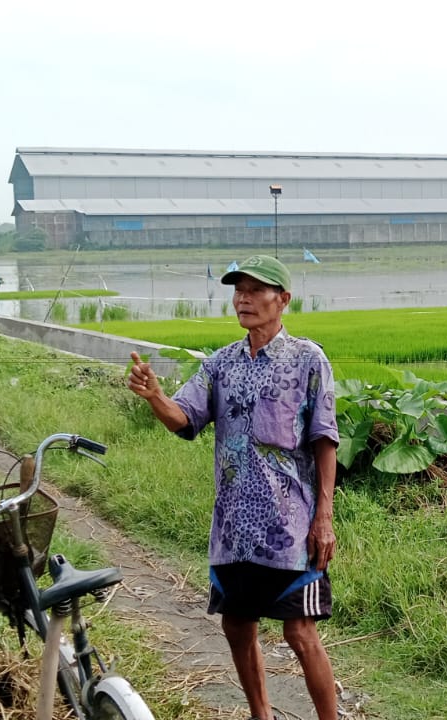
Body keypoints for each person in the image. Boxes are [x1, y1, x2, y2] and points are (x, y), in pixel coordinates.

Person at [127, 254, 340, 720]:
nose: (243, 298)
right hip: (233, 528)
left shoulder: (308, 359)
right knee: (237, 624)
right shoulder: (220, 364)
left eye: (255, 290)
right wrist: (156, 396)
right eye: (237, 290)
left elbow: (325, 440)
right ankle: (260, 714)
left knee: (299, 631)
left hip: (289, 527)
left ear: (282, 300)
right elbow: (184, 420)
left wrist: (323, 518)